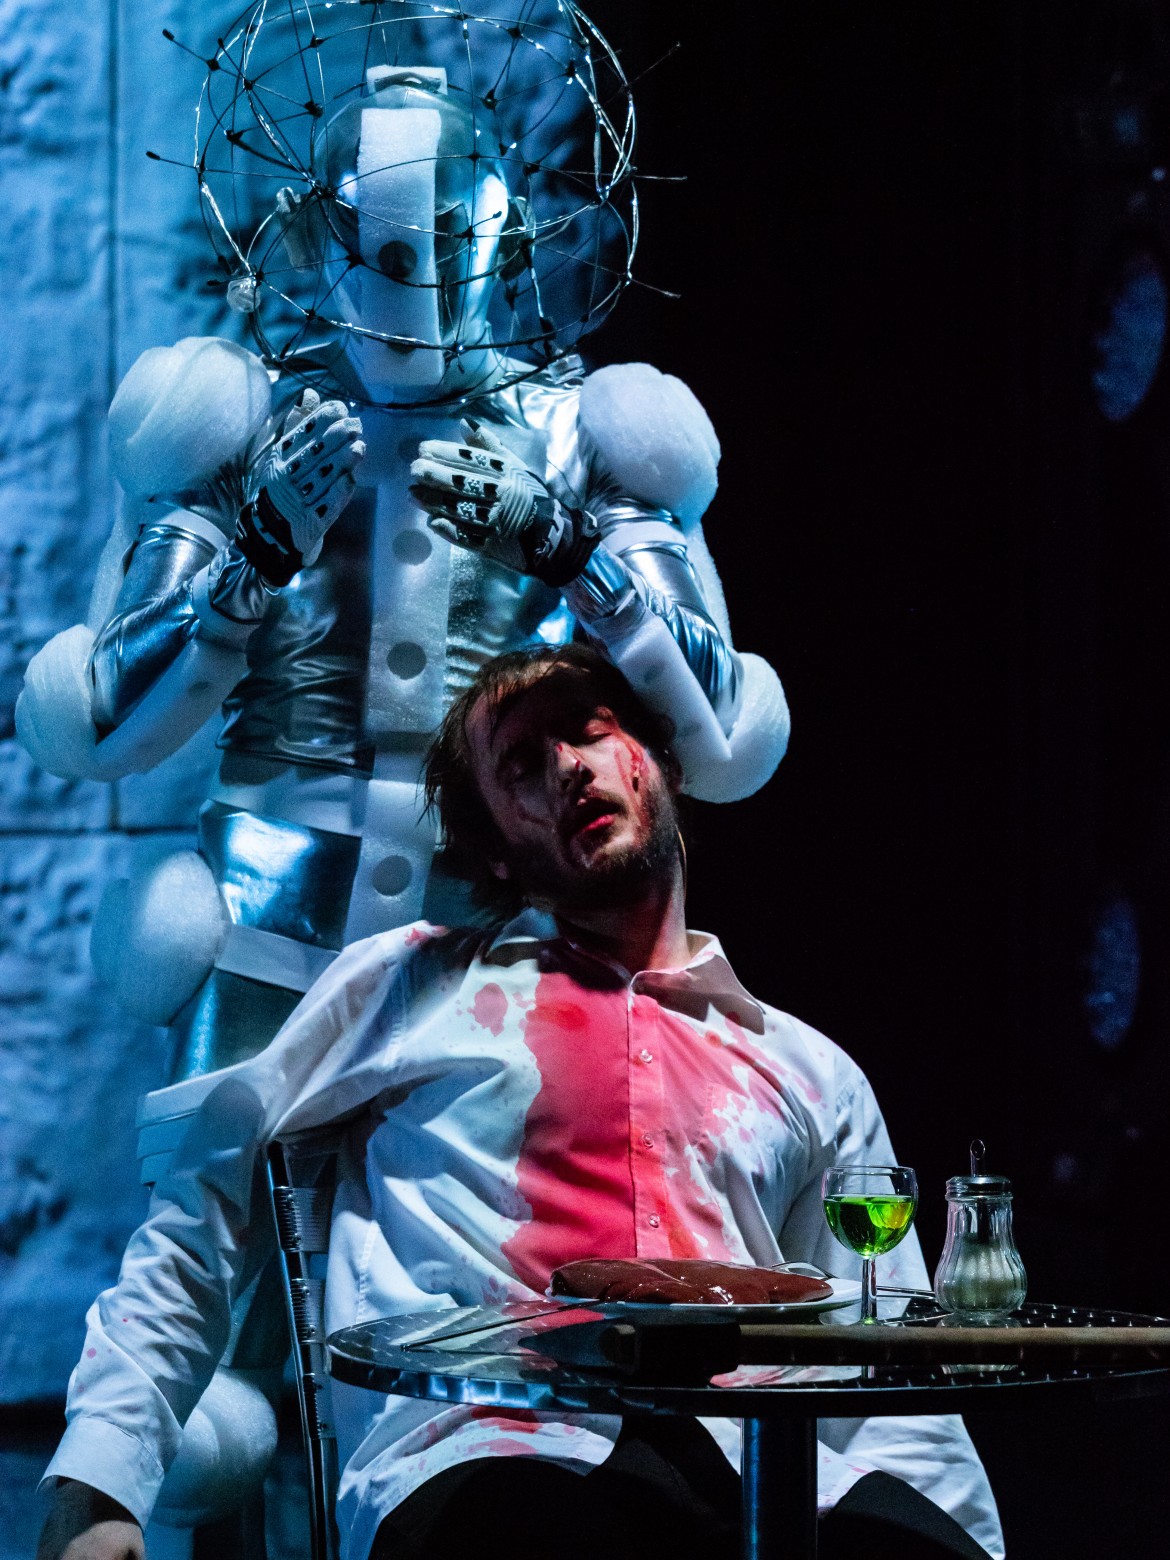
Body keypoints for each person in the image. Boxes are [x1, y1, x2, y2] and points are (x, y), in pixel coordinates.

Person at [36, 645, 1002, 1560]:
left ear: (659, 761)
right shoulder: (415, 986)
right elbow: (208, 1199)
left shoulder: (807, 1068)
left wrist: (962, 1537)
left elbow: (887, 1356)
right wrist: (98, 1485)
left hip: (755, 1465)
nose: (570, 769)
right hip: (491, 1450)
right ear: (496, 853)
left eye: (587, 730)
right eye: (522, 768)